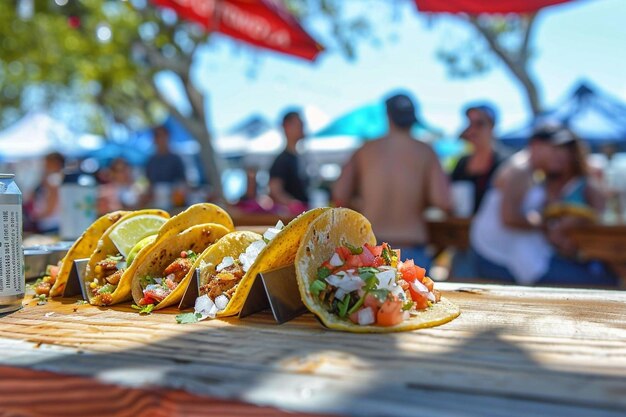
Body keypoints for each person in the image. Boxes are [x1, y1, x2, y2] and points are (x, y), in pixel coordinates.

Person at [470, 125, 618, 286]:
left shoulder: (536, 172)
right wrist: (547, 226)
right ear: (536, 146)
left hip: (518, 256)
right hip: (498, 258)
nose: (561, 155)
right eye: (554, 148)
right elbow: (510, 218)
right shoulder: (520, 169)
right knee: (604, 282)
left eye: (563, 150)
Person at [332, 92, 452, 269]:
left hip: (371, 248)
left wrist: (364, 202)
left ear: (388, 116)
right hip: (411, 250)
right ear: (413, 118)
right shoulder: (426, 152)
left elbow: (339, 195)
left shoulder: (366, 150)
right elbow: (444, 201)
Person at [451, 103, 508, 214]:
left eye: (479, 124)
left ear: (492, 126)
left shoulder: (505, 162)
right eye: (469, 123)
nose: (472, 130)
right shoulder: (462, 162)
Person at [268, 110, 309, 214]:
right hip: (292, 219)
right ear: (287, 127)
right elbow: (274, 190)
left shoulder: (299, 157)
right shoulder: (282, 160)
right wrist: (293, 204)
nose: (302, 127)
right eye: (299, 124)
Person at [144, 125, 187, 209]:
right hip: (157, 202)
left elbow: (183, 182)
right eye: (158, 136)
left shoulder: (176, 159)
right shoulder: (151, 161)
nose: (161, 139)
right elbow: (149, 183)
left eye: (163, 136)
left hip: (175, 202)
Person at [29, 152, 65, 234]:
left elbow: (51, 206)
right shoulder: (59, 177)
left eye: (47, 162)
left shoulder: (53, 180)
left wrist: (36, 216)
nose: (44, 165)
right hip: (55, 224)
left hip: (50, 225)